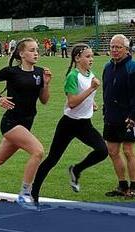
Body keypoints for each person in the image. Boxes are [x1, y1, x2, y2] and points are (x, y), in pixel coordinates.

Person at [0, 38, 52, 209]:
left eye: (37, 50)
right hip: (11, 123)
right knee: (38, 151)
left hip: (27, 123)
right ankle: (24, 194)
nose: (36, 53)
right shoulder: (11, 72)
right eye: (32, 50)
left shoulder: (40, 72)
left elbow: (44, 100)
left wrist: (46, 84)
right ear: (21, 54)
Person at [31, 44, 108, 205]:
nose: (91, 59)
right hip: (69, 124)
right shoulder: (73, 76)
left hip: (85, 124)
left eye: (92, 56)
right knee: (52, 159)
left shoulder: (89, 73)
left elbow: (86, 93)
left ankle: (76, 169)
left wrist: (92, 102)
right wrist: (91, 90)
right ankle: (34, 192)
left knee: (102, 151)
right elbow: (72, 102)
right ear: (77, 58)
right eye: (87, 57)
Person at [102, 34, 135, 199]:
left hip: (128, 118)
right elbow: (106, 92)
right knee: (112, 151)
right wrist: (105, 111)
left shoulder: (134, 68)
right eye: (112, 47)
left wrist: (134, 117)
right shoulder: (107, 67)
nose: (114, 50)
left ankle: (134, 186)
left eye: (118, 47)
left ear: (126, 49)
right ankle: (122, 185)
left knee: (128, 151)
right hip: (111, 117)